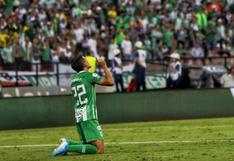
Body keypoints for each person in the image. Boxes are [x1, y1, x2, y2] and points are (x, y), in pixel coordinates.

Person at [51, 55, 114, 156]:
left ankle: (68, 142)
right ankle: (67, 147)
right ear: (84, 64)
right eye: (86, 59)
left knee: (87, 144)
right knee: (99, 149)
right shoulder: (89, 76)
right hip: (88, 115)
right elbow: (111, 82)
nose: (88, 60)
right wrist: (104, 65)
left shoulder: (74, 79)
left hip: (79, 115)